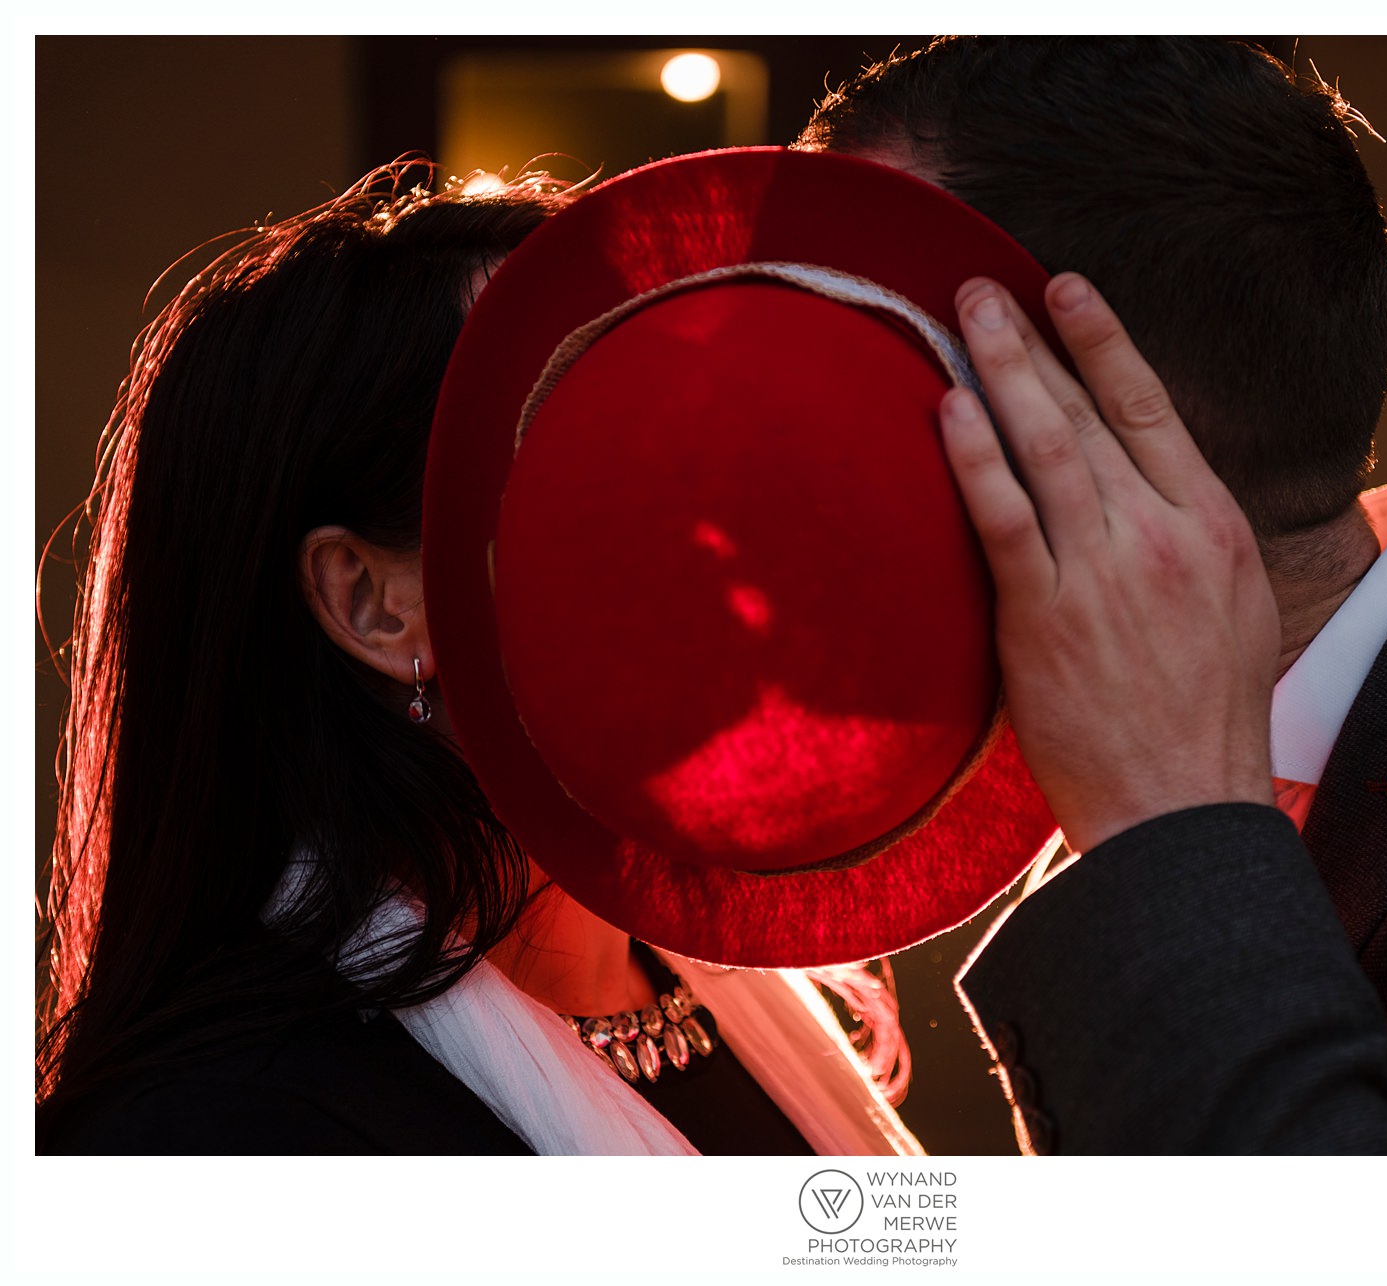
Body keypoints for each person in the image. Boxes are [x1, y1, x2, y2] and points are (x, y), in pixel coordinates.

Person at [800, 35, 1387, 1153]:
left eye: (854, 354)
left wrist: (1174, 835)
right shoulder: (1097, 774)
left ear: (1097, 411)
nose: (790, 445)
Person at [34, 160, 919, 1156]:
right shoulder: (217, 1137)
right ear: (376, 603)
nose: (724, 527)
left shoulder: (729, 995)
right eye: (603, 460)